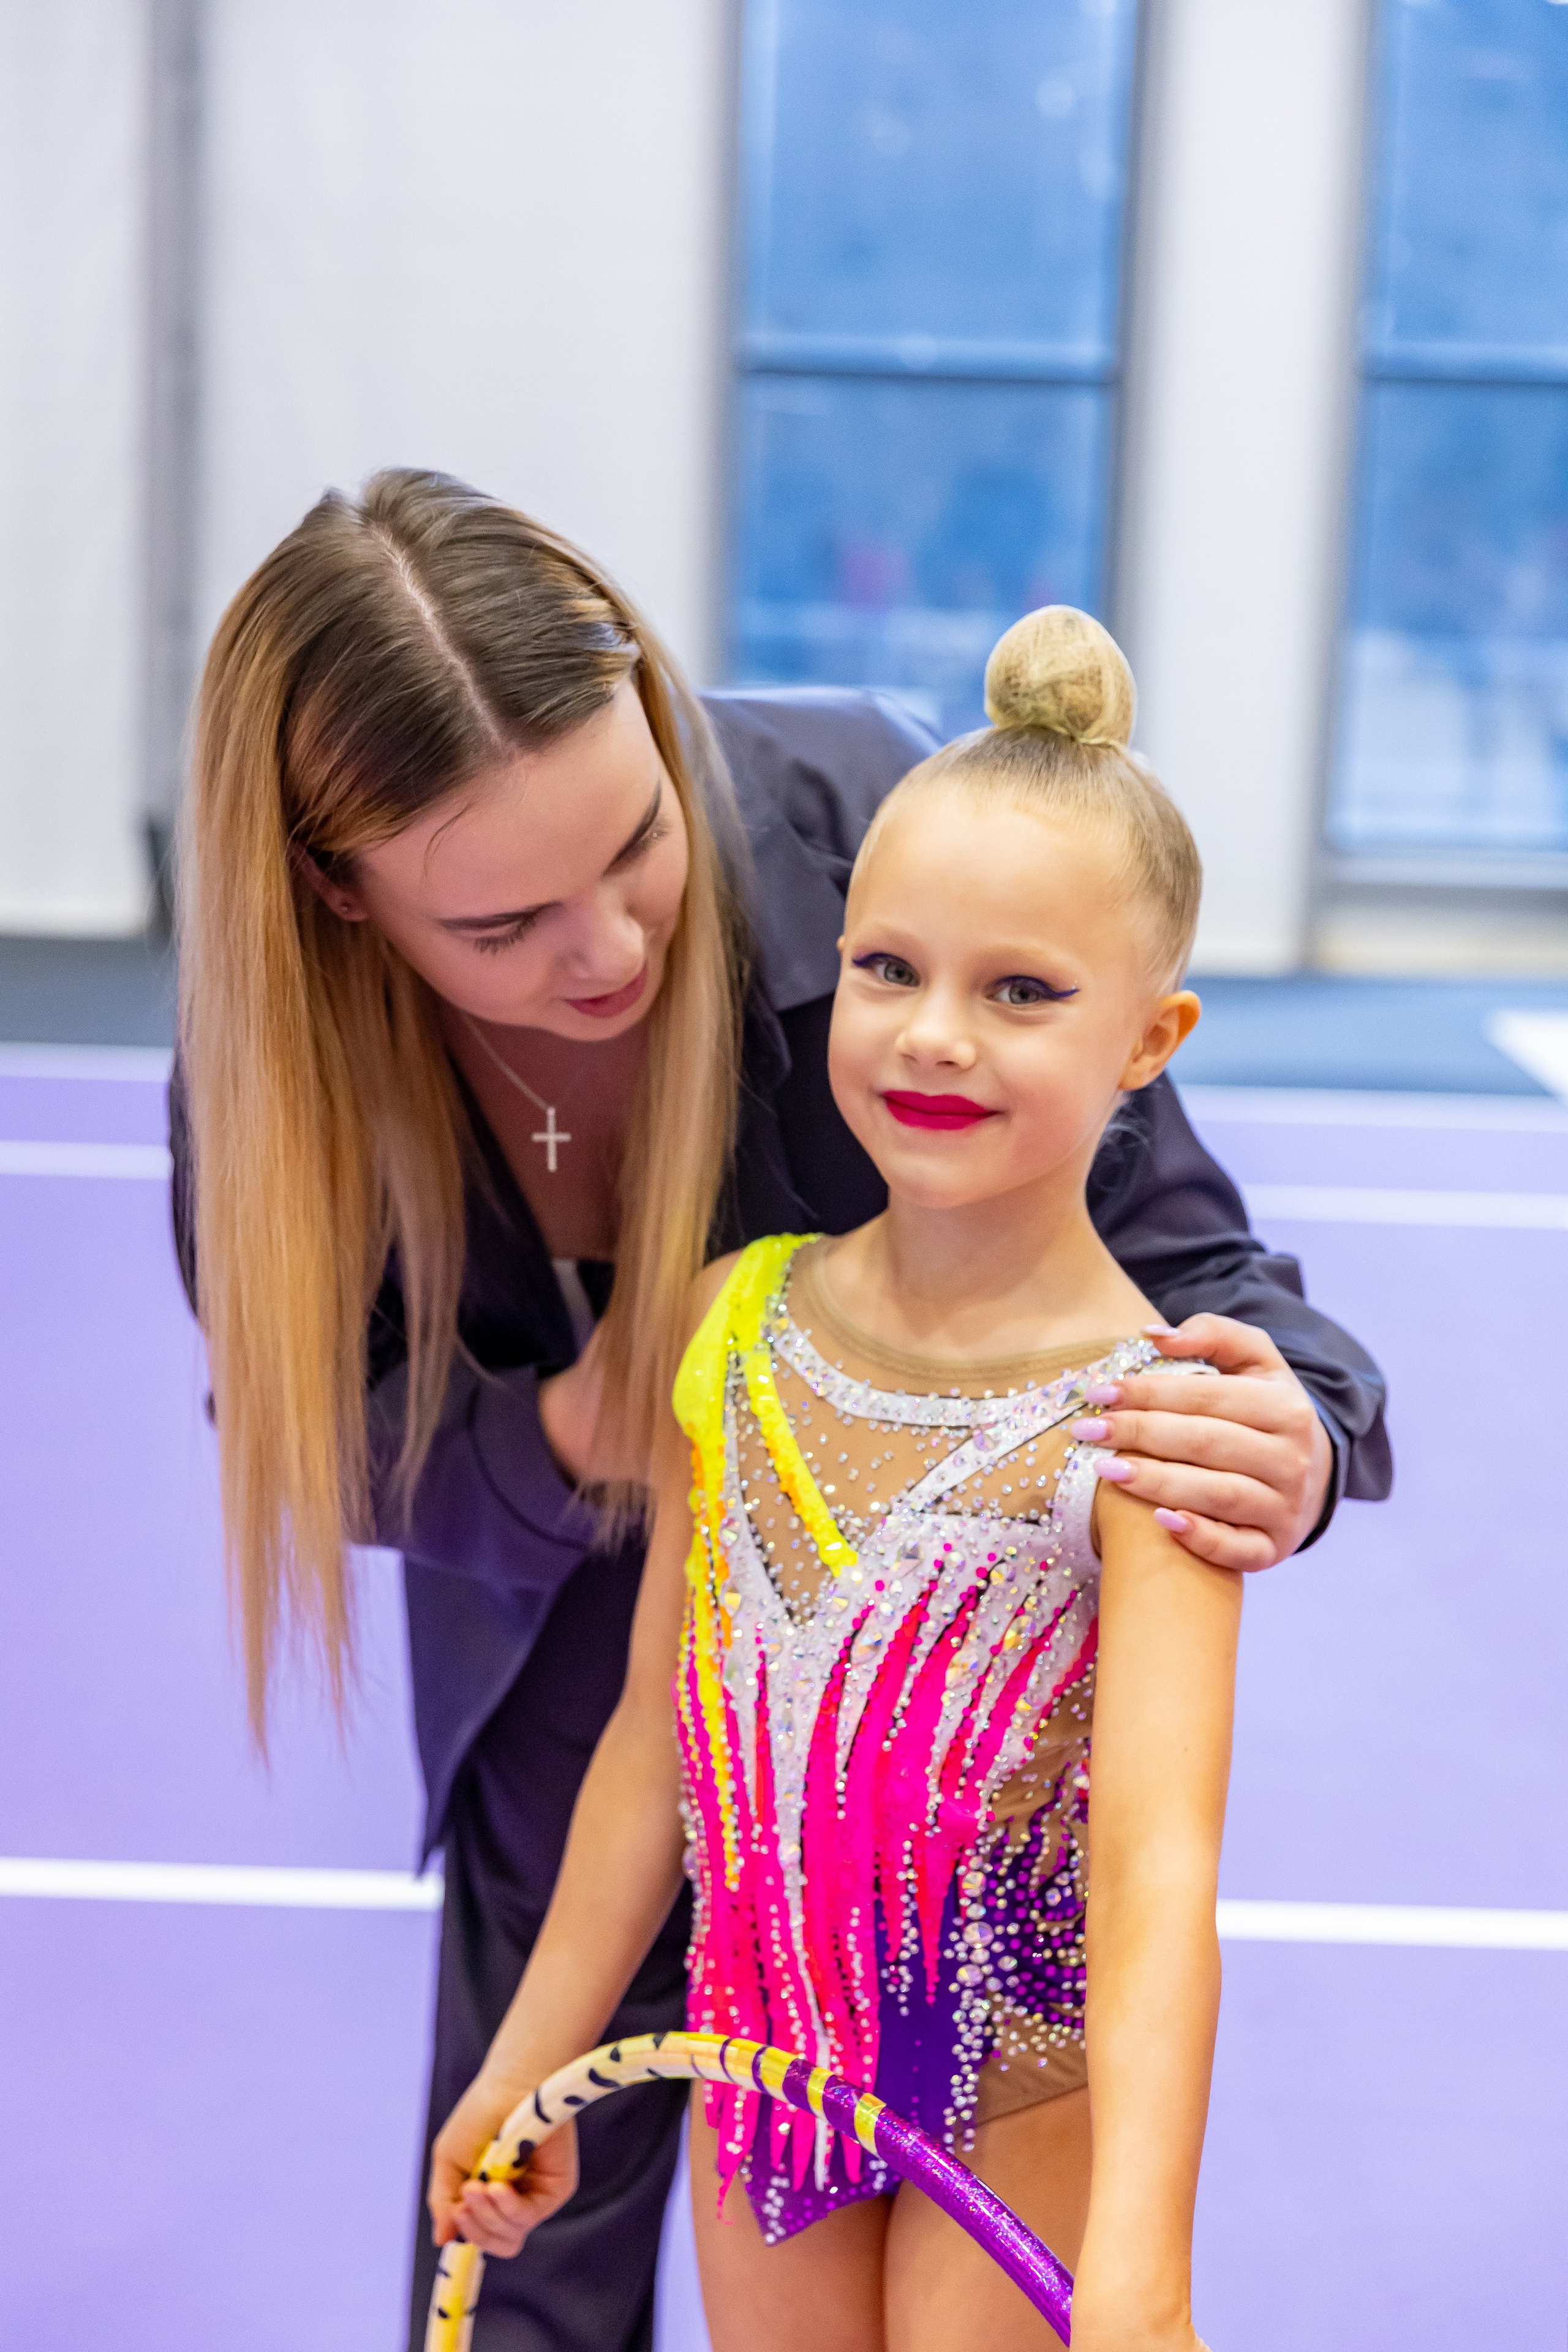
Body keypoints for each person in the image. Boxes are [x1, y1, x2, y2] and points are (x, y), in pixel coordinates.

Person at [168, 472, 1389, 2352]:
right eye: (503, 923)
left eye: (637, 847)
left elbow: (1209, 1286)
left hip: (979, 1939)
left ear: (660, 720)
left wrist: (1289, 1432)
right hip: (599, 1712)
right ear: (345, 903)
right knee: (522, 2280)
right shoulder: (289, 1087)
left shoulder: (888, 838)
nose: (606, 952)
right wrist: (580, 1428)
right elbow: (340, 1448)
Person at [426, 605, 1242, 2351]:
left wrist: (1144, 2259)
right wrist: (530, 2055)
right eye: (891, 970)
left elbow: (1156, 1872)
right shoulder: (731, 1318)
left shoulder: (1145, 1419)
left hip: (1016, 2105)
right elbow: (657, 1735)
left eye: (1021, 992)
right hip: (764, 2070)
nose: (935, 1035)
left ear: (1150, 1040)